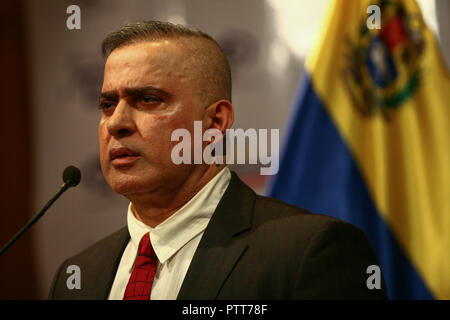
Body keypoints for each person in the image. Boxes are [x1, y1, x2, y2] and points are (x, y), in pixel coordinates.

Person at [48, 21, 388, 300]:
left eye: (147, 99)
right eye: (107, 105)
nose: (116, 123)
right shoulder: (76, 277)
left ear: (215, 123)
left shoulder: (311, 253)